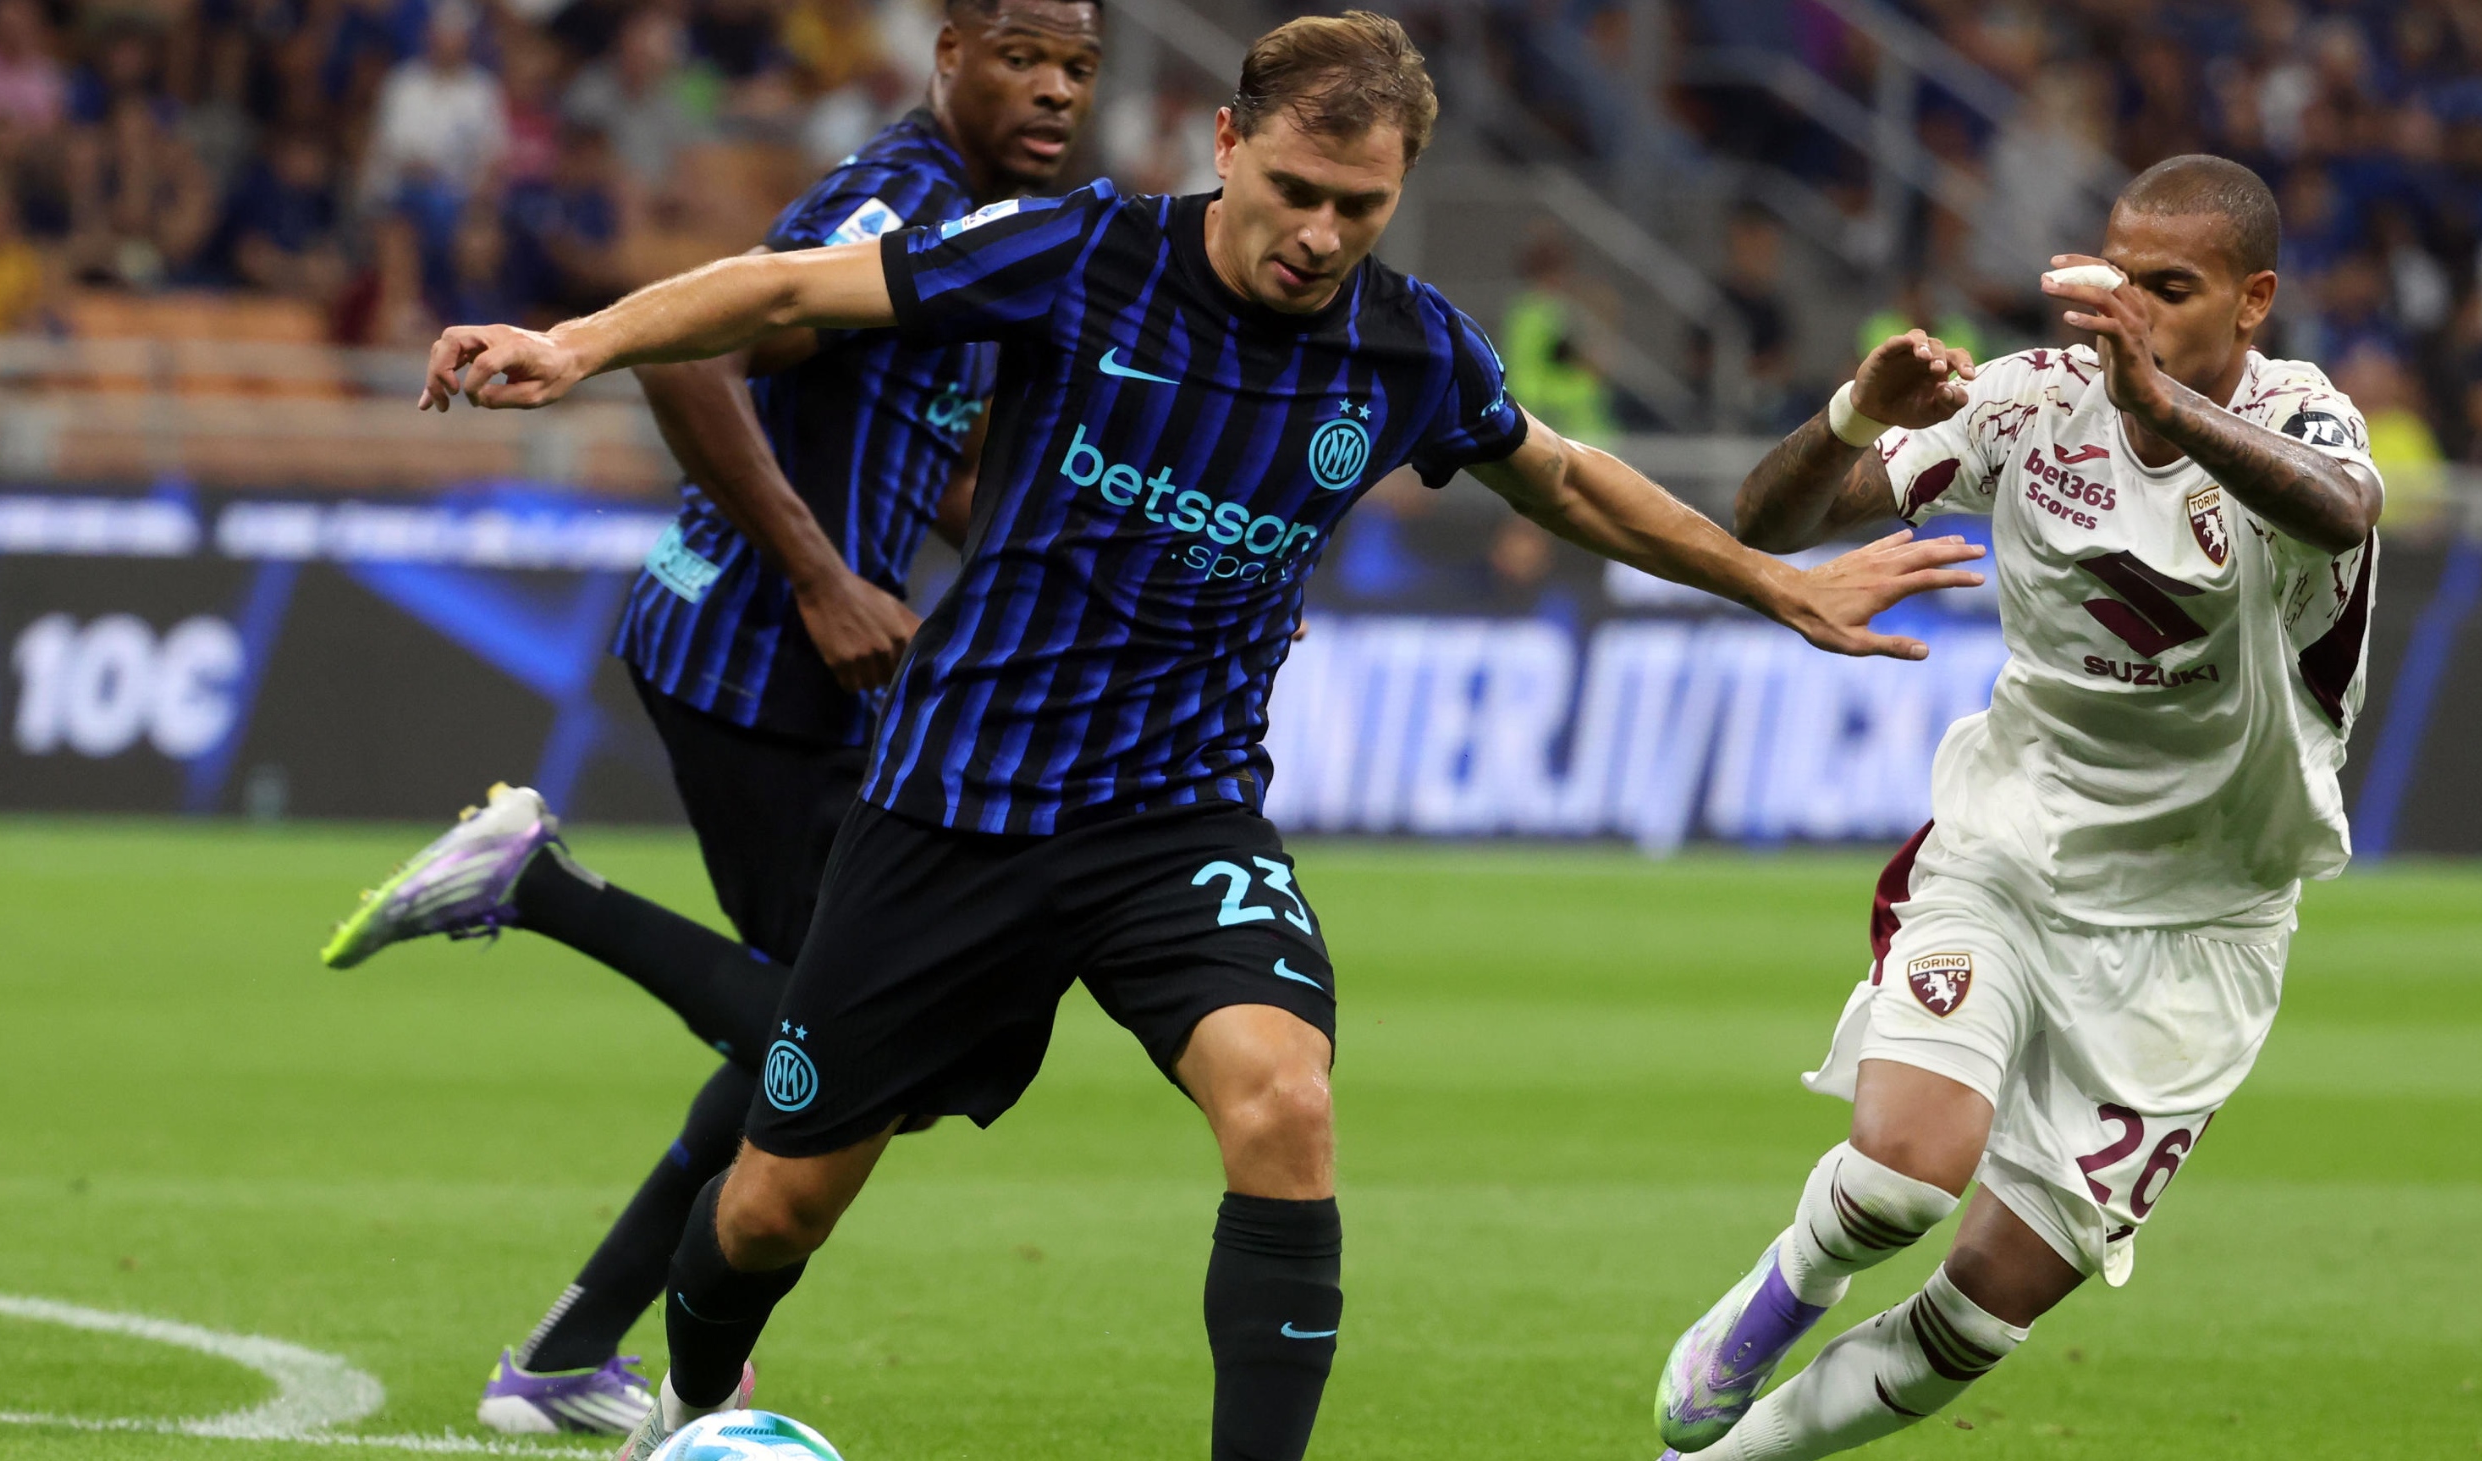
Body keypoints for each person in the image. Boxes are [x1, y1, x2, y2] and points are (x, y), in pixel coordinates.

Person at [413, 15, 1983, 1460]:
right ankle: (691, 1408)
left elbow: (1563, 478)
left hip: (1177, 816)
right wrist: (578, 344)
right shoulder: (1081, 253)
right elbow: (782, 290)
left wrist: (1774, 579)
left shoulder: (1410, 347)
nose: (1321, 235)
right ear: (1226, 145)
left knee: (1284, 1102)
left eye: (1360, 207)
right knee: (772, 1208)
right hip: (958, 801)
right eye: (1296, 190)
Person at [318, 0, 1104, 1434]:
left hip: (781, 670)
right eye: (1023, 56)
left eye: (1078, 67)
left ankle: (568, 1353)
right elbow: (690, 353)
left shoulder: (986, 221)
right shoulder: (900, 196)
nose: (1055, 89)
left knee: (813, 1041)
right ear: (948, 54)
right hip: (757, 662)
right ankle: (535, 886)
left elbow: (930, 449)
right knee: (871, 1038)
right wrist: (823, 578)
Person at [1651, 154, 2382, 1461]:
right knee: (1897, 1179)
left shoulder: (2302, 418)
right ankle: (1786, 1286)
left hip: (2206, 918)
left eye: (2172, 289)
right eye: (2118, 280)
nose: (2131, 313)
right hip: (2015, 845)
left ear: (2254, 300)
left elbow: (2342, 512)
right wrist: (1853, 415)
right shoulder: (2032, 402)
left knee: (1981, 1317)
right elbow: (1770, 521)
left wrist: (2165, 405)